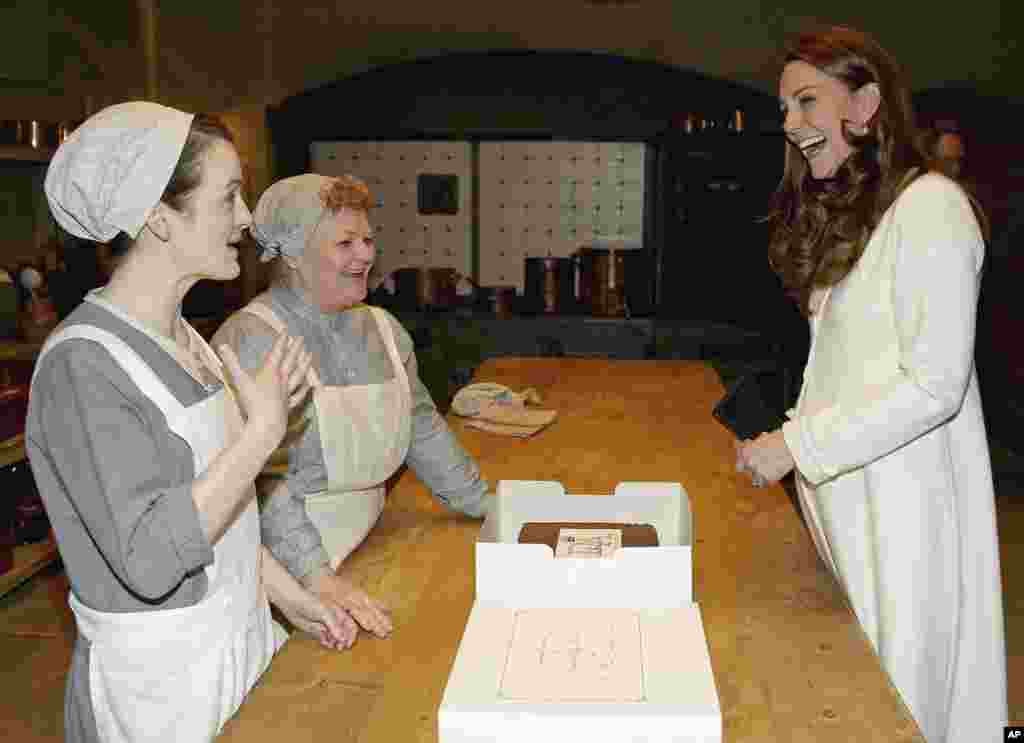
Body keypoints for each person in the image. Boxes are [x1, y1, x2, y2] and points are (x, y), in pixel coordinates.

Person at [28, 102, 357, 743]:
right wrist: (262, 433)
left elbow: (223, 517)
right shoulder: (84, 367)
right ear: (159, 218)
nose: (245, 218)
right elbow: (150, 558)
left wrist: (290, 596)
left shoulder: (188, 339)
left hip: (238, 649)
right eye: (230, 196)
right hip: (160, 691)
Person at [735, 26, 1007, 741]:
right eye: (785, 109)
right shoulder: (870, 214)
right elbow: (853, 371)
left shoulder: (932, 209)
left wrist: (797, 442)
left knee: (895, 712)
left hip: (906, 522)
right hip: (855, 512)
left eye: (806, 102)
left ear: (865, 104)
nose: (790, 124)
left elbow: (934, 384)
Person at [212, 173, 490, 639]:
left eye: (367, 239)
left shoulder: (382, 330)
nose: (365, 254)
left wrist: (483, 501)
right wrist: (317, 579)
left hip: (372, 549)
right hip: (284, 586)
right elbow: (264, 483)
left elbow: (421, 427)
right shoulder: (251, 341)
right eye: (345, 243)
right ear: (295, 253)